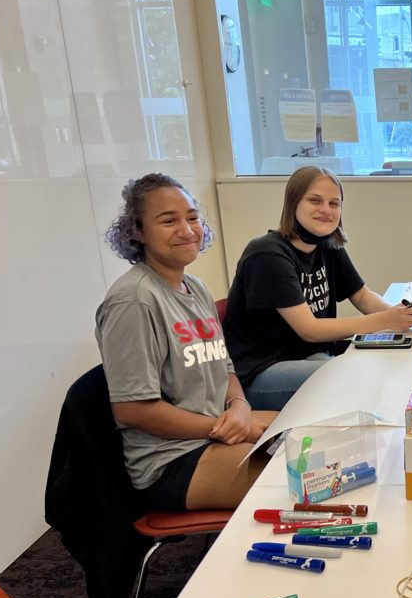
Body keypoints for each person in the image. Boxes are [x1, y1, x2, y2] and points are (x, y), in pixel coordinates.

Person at [96, 174, 277, 511]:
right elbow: (132, 408)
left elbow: (224, 366)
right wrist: (226, 428)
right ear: (137, 231)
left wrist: (239, 406)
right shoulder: (134, 301)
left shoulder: (196, 287)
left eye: (192, 217)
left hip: (214, 428)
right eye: (168, 221)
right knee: (303, 475)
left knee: (317, 435)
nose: (187, 229)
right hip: (171, 459)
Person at [222, 166, 412, 410]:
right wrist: (386, 319)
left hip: (309, 356)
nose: (326, 210)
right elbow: (310, 330)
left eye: (334, 203)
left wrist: (402, 313)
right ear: (293, 202)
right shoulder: (267, 254)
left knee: (383, 362)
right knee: (359, 379)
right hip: (261, 372)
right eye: (315, 200)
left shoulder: (328, 245)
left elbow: (361, 295)